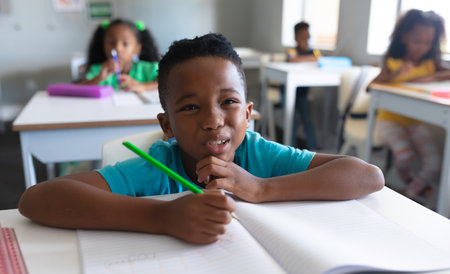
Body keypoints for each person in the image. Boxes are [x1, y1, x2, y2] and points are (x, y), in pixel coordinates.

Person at [19, 33, 384, 245]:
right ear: (168, 125)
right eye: (191, 108)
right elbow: (38, 199)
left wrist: (260, 189)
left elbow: (368, 176)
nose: (213, 121)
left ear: (248, 113)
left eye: (228, 102)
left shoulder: (257, 157)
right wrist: (164, 217)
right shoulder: (158, 166)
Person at [371, 9, 450, 201]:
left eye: (427, 43)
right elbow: (371, 87)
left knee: (434, 163)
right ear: (404, 37)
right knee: (404, 156)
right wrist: (394, 77)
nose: (421, 47)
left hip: (413, 123)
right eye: (417, 41)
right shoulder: (394, 63)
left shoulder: (430, 64)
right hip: (388, 120)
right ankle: (410, 184)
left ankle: (408, 192)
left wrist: (429, 76)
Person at [80, 18, 160, 92]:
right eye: (111, 42)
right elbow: (79, 89)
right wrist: (98, 78)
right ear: (103, 46)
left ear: (137, 49)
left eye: (125, 44)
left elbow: (166, 83)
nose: (117, 48)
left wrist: (143, 86)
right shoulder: (98, 71)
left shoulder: (149, 69)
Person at [285, 21, 321, 149]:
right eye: (303, 37)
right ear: (296, 37)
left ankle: (314, 150)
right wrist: (310, 58)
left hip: (302, 95)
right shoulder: (292, 51)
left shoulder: (314, 52)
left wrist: (311, 57)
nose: (306, 41)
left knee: (308, 121)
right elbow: (291, 59)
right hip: (288, 93)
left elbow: (320, 59)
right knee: (292, 121)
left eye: (308, 37)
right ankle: (290, 149)